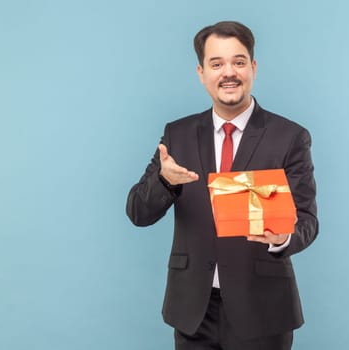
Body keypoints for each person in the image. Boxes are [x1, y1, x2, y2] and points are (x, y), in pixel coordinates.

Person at [126, 21, 319, 350]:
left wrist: (282, 237)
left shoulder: (290, 137)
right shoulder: (178, 135)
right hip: (193, 309)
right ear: (201, 73)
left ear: (253, 68)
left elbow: (307, 221)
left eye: (238, 62)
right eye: (217, 64)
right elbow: (138, 212)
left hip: (263, 310)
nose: (228, 72)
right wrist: (164, 181)